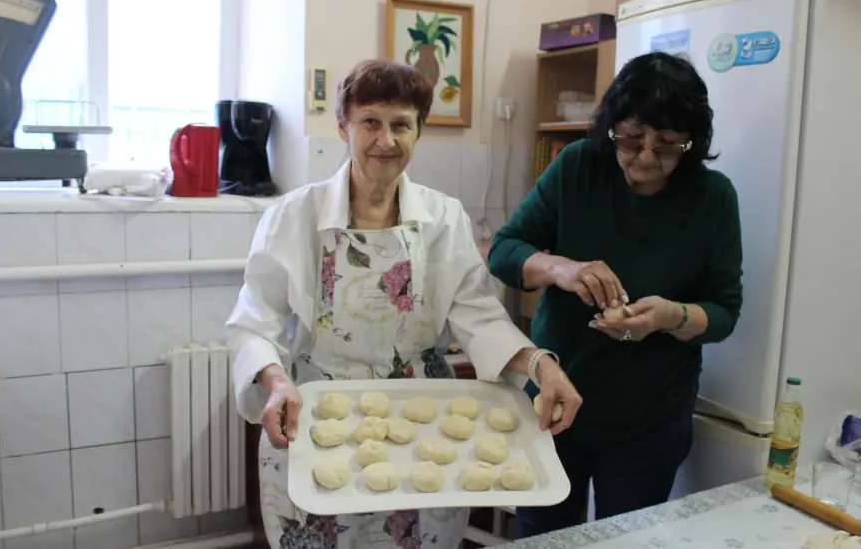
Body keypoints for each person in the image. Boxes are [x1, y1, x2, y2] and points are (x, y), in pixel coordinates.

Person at [226, 59, 582, 549]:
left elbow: (478, 314)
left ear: (419, 132)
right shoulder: (294, 215)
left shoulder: (442, 217)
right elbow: (255, 321)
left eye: (401, 125)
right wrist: (275, 380)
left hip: (422, 426)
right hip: (316, 410)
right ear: (343, 126)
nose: (385, 140)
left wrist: (539, 364)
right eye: (370, 121)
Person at [488, 51, 744, 537]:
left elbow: (725, 311)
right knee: (544, 536)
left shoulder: (713, 198)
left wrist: (671, 316)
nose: (646, 155)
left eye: (668, 144)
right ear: (612, 128)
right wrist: (561, 268)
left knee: (627, 539)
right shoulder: (578, 166)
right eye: (631, 138)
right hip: (554, 400)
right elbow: (504, 251)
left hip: (648, 419)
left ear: (692, 143)